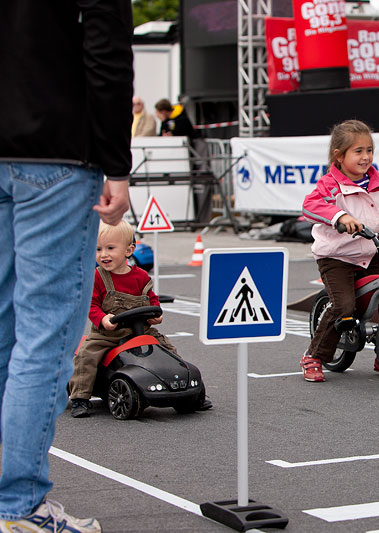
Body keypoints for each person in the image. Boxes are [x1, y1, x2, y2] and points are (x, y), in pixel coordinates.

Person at [0, 1, 133, 531]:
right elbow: (106, 53)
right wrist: (115, 163)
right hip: (54, 152)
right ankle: (20, 506)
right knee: (46, 335)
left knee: (5, 331)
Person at [301, 120, 379, 382]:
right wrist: (340, 217)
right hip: (337, 257)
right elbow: (310, 206)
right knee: (344, 306)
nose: (366, 157)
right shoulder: (330, 184)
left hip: (371, 250)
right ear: (339, 156)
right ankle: (314, 356)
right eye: (358, 151)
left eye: (369, 150)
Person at [67, 221, 180, 418]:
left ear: (129, 250)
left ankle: (181, 387)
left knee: (168, 348)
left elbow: (152, 299)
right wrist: (102, 319)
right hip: (108, 334)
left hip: (142, 331)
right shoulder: (97, 277)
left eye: (110, 248)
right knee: (86, 355)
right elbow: (91, 306)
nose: (103, 254)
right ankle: (80, 397)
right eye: (98, 249)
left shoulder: (141, 276)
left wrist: (157, 314)